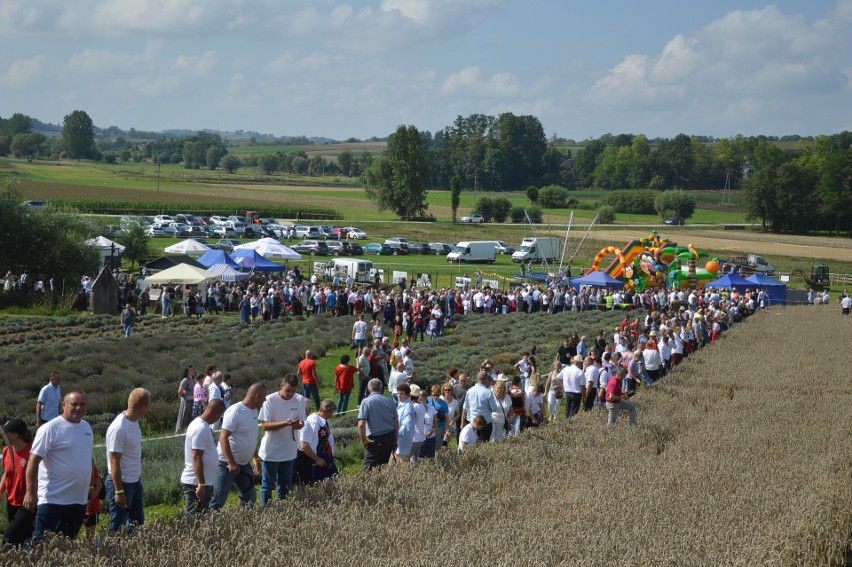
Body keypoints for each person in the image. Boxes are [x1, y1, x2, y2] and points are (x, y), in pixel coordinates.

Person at [23, 391, 95, 542]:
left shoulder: (86, 427)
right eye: (74, 404)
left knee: (67, 546)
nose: (78, 408)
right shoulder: (50, 428)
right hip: (53, 500)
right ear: (63, 405)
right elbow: (33, 461)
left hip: (78, 501)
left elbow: (88, 459)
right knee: (40, 545)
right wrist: (30, 492)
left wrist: (89, 491)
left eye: (82, 404)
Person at [210, 384, 267, 510]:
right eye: (263, 398)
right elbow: (223, 437)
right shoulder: (235, 411)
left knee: (249, 498)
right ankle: (206, 524)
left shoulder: (254, 411)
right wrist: (231, 463)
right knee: (218, 499)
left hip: (243, 463)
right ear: (257, 396)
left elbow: (251, 438)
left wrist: (255, 459)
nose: (265, 401)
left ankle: (243, 523)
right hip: (226, 464)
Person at [105, 388, 151, 534]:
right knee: (118, 527)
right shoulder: (119, 427)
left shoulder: (134, 422)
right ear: (143, 406)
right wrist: (119, 491)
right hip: (122, 483)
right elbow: (114, 462)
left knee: (137, 523)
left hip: (134, 481)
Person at [258, 375, 306, 506]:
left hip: (289, 449)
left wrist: (298, 424)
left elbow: (302, 422)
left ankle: (282, 510)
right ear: (281, 386)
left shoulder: (300, 399)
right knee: (268, 485)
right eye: (287, 390)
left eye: (293, 391)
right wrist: (286, 423)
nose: (290, 394)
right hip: (271, 451)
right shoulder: (269, 400)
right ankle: (265, 510)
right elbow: (265, 425)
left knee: (285, 484)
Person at [181, 399, 225, 517]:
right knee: (194, 519)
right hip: (196, 483)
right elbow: (196, 457)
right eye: (219, 415)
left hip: (202, 482)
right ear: (216, 413)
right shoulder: (200, 428)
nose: (218, 419)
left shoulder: (202, 426)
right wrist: (201, 484)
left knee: (201, 518)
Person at [1, 419, 34, 546]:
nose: (3, 436)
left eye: (6, 433)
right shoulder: (6, 451)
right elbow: (6, 473)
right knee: (22, 537)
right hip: (11, 502)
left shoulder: (32, 452)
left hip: (26, 504)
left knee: (8, 540)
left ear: (15, 435)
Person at [357, 379, 399, 471]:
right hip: (390, 436)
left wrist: (363, 440)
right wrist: (395, 440)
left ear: (369, 389)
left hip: (376, 439)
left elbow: (361, 424)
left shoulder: (366, 402)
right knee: (382, 467)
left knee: (367, 469)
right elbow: (396, 422)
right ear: (381, 388)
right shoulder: (390, 401)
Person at [293, 399, 338, 485]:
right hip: (315, 455)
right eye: (331, 413)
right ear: (325, 411)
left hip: (324, 454)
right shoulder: (313, 422)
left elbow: (328, 437)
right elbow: (307, 443)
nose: (332, 415)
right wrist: (317, 459)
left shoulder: (325, 420)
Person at [460, 371, 499, 442]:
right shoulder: (488, 392)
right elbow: (494, 409)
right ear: (486, 380)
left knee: (471, 444)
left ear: (477, 379)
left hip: (472, 422)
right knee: (483, 445)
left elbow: (465, 408)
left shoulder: (469, 391)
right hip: (485, 423)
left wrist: (462, 423)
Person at [175, 366, 195, 433]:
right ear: (187, 372)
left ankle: (187, 432)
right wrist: (186, 396)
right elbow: (180, 391)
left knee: (190, 418)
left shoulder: (193, 380)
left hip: (192, 402)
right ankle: (178, 431)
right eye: (190, 370)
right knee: (183, 416)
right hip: (186, 402)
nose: (191, 371)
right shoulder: (185, 380)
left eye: (192, 370)